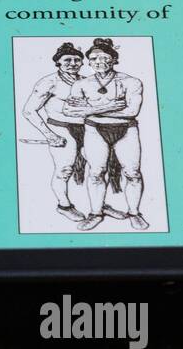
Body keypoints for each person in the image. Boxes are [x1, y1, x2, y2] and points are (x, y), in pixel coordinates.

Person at [58, 38, 148, 231]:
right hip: (95, 130)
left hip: (126, 129)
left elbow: (131, 111)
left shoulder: (131, 81)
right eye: (93, 58)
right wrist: (106, 106)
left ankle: (134, 213)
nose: (99, 62)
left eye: (104, 57)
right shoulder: (82, 84)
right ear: (89, 62)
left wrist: (88, 108)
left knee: (132, 173)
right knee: (96, 173)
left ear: (114, 59)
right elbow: (68, 110)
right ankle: (96, 213)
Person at [21, 42, 90, 222]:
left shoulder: (87, 81)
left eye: (77, 60)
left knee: (98, 168)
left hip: (88, 129)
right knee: (65, 169)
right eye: (67, 60)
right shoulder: (49, 82)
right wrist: (50, 135)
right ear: (58, 63)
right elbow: (28, 111)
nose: (73, 63)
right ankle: (64, 205)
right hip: (61, 128)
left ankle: (99, 205)